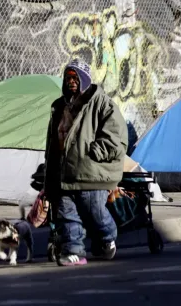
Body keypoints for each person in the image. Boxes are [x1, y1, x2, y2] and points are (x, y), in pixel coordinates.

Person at [43, 59, 128, 266]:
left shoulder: (103, 104)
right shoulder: (59, 106)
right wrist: (49, 172)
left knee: (94, 213)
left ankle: (108, 237)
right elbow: (52, 142)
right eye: (68, 78)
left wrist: (92, 153)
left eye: (75, 78)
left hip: (91, 172)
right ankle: (74, 252)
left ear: (84, 79)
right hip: (64, 174)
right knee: (67, 215)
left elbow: (117, 137)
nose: (71, 82)